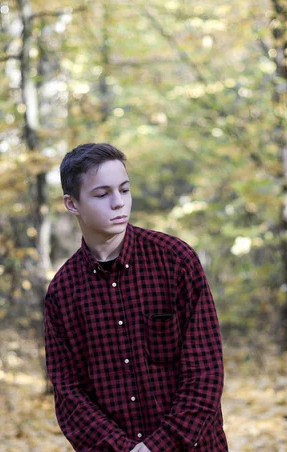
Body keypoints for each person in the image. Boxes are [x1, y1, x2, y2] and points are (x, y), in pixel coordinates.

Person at [44, 143, 227, 451]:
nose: (119, 203)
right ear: (72, 204)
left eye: (124, 190)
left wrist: (159, 446)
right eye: (102, 194)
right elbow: (70, 395)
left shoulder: (175, 261)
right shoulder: (63, 293)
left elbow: (205, 371)